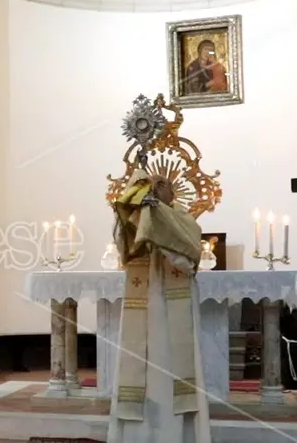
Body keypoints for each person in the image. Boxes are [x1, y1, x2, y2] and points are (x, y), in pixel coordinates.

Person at [107, 170, 211, 443]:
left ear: (173, 193)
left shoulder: (183, 220)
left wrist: (158, 224)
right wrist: (134, 210)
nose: (157, 189)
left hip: (172, 310)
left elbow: (188, 260)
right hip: (142, 306)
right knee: (139, 371)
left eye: (162, 185)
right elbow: (124, 246)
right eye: (153, 186)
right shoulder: (141, 217)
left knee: (171, 376)